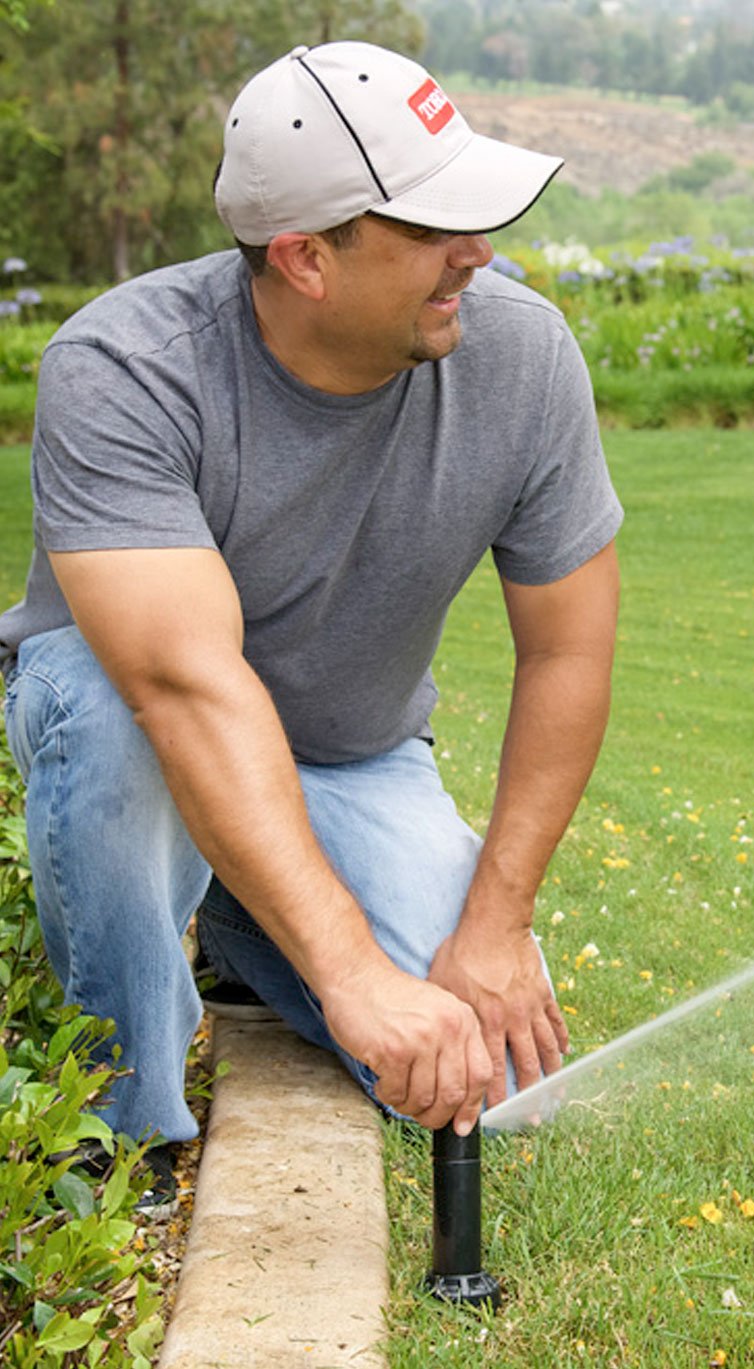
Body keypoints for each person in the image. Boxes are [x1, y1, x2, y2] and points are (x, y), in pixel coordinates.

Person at [0, 41, 623, 1167]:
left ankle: (240, 928)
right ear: (305, 259)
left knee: (494, 1081)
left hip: (350, 753)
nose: (478, 256)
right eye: (436, 231)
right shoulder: (126, 368)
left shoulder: (525, 362)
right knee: (101, 715)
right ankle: (125, 1134)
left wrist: (496, 921)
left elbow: (568, 656)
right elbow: (183, 690)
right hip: (143, 727)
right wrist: (350, 977)